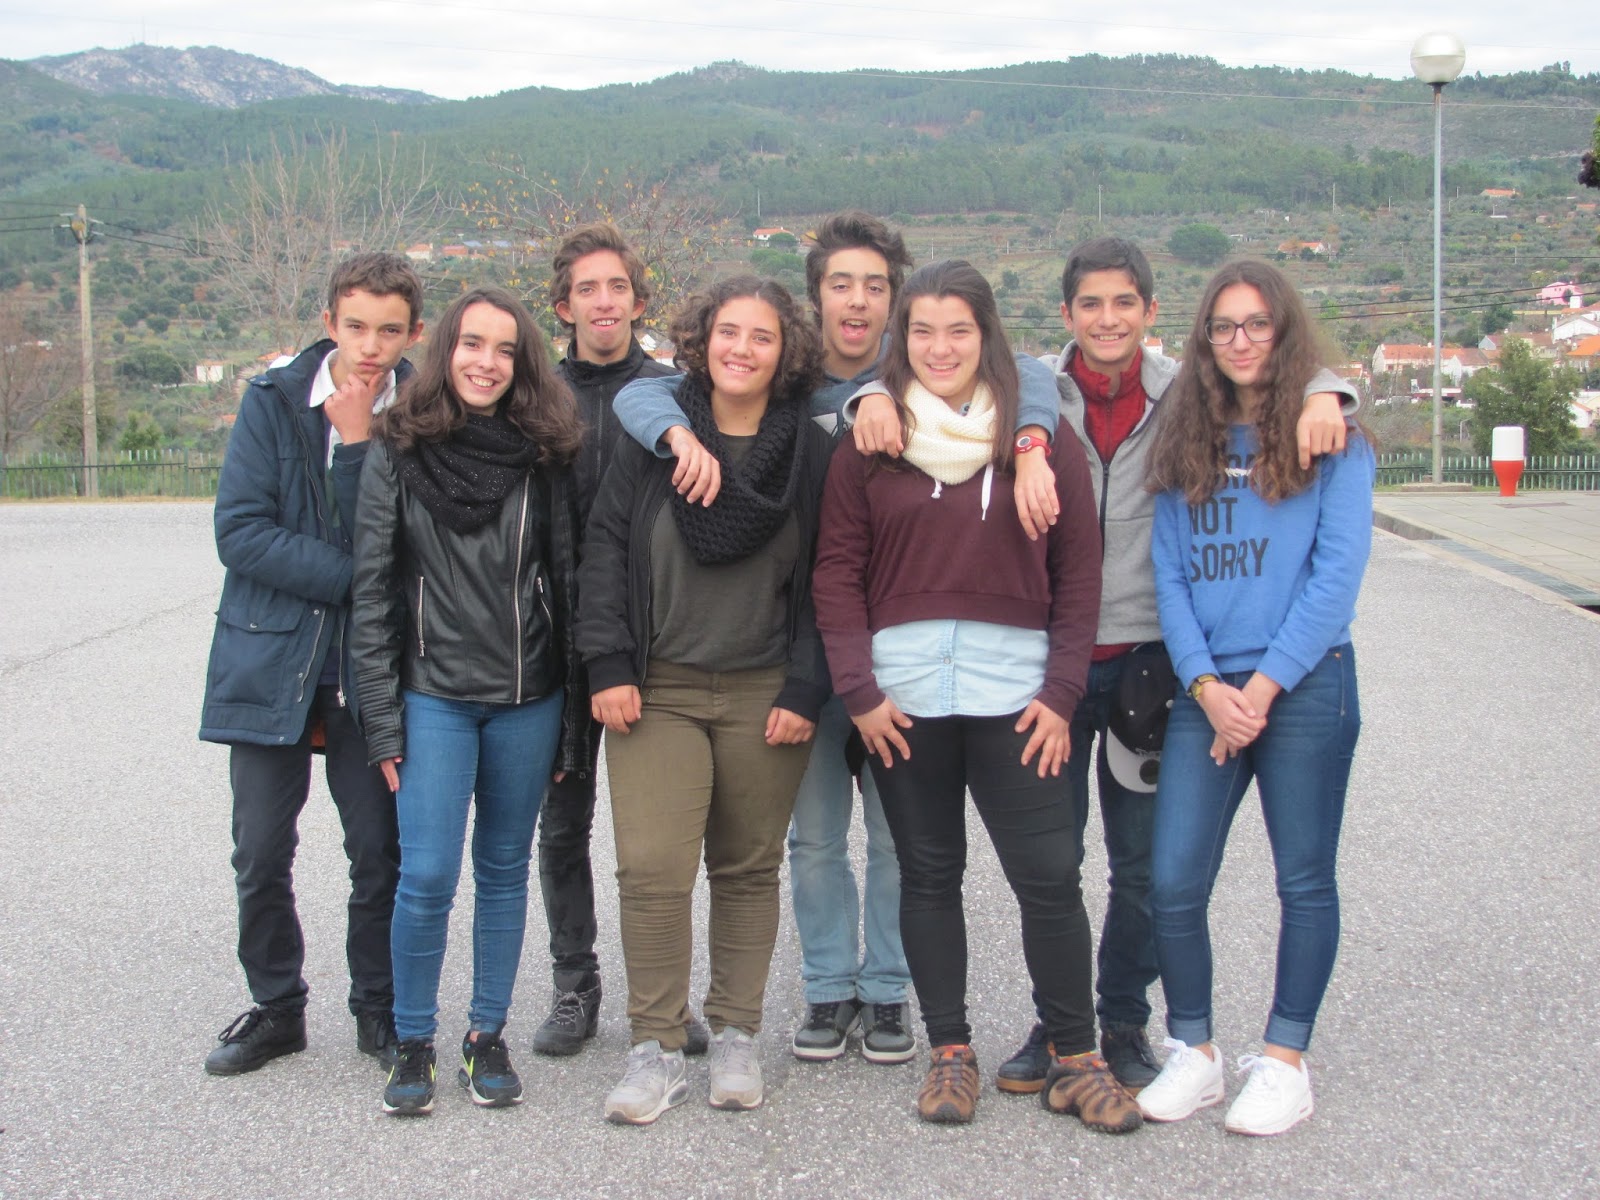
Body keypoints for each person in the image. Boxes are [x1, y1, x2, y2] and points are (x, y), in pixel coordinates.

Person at [612, 211, 1061, 1065]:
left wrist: (1028, 439)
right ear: (815, 298)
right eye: (840, 284)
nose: (857, 301)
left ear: (897, 299)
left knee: (896, 839)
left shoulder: (925, 377)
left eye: (875, 286)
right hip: (807, 652)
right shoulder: (786, 381)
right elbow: (641, 391)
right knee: (813, 838)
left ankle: (887, 990)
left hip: (897, 653)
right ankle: (827, 987)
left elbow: (1029, 372)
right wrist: (853, 403)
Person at [992, 238, 1359, 1097]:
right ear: (1067, 313)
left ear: (1152, 313)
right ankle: (1062, 1024)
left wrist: (1328, 391)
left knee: (1144, 869)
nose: (1108, 319)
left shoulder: (1184, 393)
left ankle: (1123, 1020)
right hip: (1053, 664)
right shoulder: (1032, 396)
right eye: (1090, 304)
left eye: (1125, 303)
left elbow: (1272, 367)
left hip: (1152, 668)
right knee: (1051, 864)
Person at [811, 260, 1141, 1134]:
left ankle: (1078, 1056)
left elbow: (1080, 572)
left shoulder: (1037, 439)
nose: (941, 347)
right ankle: (950, 1051)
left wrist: (1064, 693)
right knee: (928, 875)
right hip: (903, 701)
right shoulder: (870, 440)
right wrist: (859, 691)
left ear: (985, 335)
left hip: (1018, 697)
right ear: (902, 339)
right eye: (922, 331)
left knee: (1050, 877)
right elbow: (836, 573)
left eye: (959, 329)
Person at [578, 276, 833, 1124]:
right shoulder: (655, 437)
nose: (741, 349)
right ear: (702, 338)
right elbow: (605, 549)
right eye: (728, 332)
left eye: (762, 336)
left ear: (785, 352)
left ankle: (735, 1034)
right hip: (658, 686)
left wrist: (807, 684)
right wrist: (607, 662)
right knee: (652, 867)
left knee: (747, 868)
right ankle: (654, 1046)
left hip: (766, 690)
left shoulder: (809, 453)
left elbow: (830, 577)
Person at [1136, 259, 1373, 1137]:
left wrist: (1261, 689)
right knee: (1172, 879)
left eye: (1257, 324)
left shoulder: (1333, 439)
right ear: (1204, 339)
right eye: (1223, 326)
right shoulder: (1185, 442)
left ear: (1284, 331)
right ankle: (1194, 1050)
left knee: (1303, 879)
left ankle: (1284, 1061)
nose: (1240, 341)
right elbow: (1168, 578)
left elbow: (1334, 580)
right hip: (1207, 691)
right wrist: (1207, 686)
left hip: (1305, 686)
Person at [349, 285, 590, 1117]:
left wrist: (571, 726)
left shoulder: (546, 453)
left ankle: (487, 1035)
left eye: (505, 349)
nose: (487, 362)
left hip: (529, 699)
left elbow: (568, 585)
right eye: (472, 344)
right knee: (425, 876)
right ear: (445, 348)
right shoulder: (397, 448)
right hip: (434, 698)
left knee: (503, 870)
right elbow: (373, 594)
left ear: (523, 363)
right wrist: (382, 719)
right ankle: (413, 1040)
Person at [199, 251, 422, 1077]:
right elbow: (241, 532)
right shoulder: (273, 402)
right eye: (355, 326)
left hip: (373, 670)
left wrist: (361, 445)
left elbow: (416, 545)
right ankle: (276, 1009)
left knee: (379, 853)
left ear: (412, 334)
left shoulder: (424, 415)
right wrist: (361, 579)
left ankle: (379, 1009)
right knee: (259, 852)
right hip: (271, 658)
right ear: (330, 323)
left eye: (388, 331)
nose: (370, 346)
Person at [529, 222, 709, 1058]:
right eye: (586, 289)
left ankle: (667, 994)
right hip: (553, 645)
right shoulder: (535, 396)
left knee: (666, 838)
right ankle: (575, 983)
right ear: (563, 306)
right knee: (563, 825)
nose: (604, 302)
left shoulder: (677, 393)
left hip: (654, 641)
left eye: (618, 287)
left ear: (639, 301)